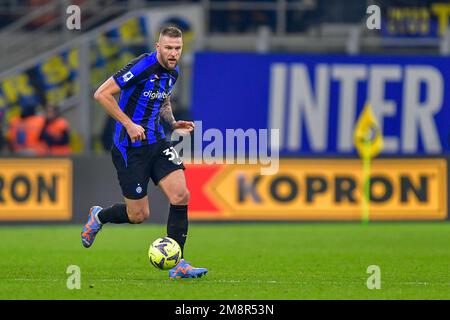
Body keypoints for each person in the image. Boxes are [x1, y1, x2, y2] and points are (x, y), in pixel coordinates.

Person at [81, 26, 207, 279]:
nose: (173, 53)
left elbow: (163, 99)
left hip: (157, 143)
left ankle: (179, 264)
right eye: (169, 48)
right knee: (138, 215)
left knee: (181, 195)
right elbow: (101, 94)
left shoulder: (173, 73)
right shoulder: (141, 66)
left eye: (178, 48)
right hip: (129, 149)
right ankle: (100, 216)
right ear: (157, 46)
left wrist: (172, 123)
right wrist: (128, 124)